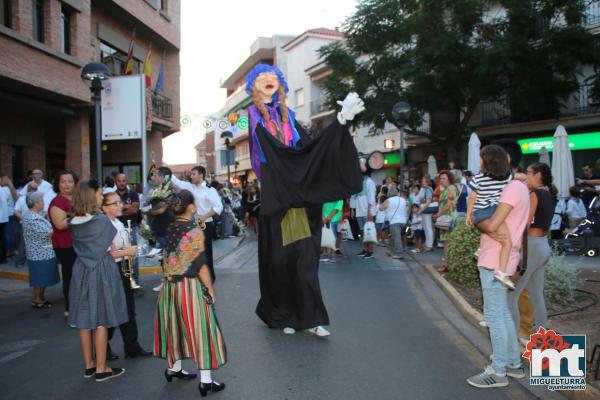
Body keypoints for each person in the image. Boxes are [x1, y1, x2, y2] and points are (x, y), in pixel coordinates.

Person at [246, 64, 363, 337]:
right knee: (284, 261)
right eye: (262, 78)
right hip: (278, 196)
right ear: (253, 85)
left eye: (273, 77)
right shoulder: (251, 116)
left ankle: (309, 318)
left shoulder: (290, 117)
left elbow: (311, 150)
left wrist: (341, 121)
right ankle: (287, 314)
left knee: (304, 260)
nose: (268, 80)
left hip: (298, 199)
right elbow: (258, 144)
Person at [467, 146, 529, 389]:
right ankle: (513, 363)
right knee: (502, 312)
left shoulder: (512, 189)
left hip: (495, 258)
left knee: (494, 314)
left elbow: (492, 226)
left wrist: (475, 221)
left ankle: (498, 369)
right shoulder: (517, 185)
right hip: (502, 256)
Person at [153, 190, 226, 396]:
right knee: (201, 328)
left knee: (174, 326)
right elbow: (201, 265)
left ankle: (173, 368)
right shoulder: (193, 230)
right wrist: (210, 289)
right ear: (192, 207)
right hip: (189, 286)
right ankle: (206, 380)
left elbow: (167, 257)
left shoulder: (171, 227)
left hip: (169, 287)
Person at [68, 180, 128, 382]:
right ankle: (102, 368)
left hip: (81, 270)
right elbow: (109, 247)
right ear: (91, 195)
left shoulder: (73, 221)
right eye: (99, 193)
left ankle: (89, 365)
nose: (101, 196)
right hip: (101, 269)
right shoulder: (101, 221)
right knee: (101, 320)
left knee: (84, 321)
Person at [101, 191, 152, 360]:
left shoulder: (118, 222)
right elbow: (105, 253)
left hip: (123, 268)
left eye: (119, 202)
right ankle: (103, 348)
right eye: (114, 203)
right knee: (113, 310)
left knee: (128, 309)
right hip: (112, 270)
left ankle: (132, 346)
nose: (119, 206)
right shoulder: (103, 225)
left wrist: (131, 251)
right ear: (103, 208)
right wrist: (126, 251)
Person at [508, 162, 555, 343]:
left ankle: (513, 339)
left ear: (538, 175)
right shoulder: (548, 194)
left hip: (533, 246)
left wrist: (515, 246)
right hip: (543, 246)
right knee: (537, 295)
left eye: (528, 172)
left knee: (512, 295)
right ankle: (541, 338)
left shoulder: (535, 194)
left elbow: (525, 223)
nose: (526, 175)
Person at [466, 145, 515, 289]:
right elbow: (521, 177)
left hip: (480, 212)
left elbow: (472, 198)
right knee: (507, 242)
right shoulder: (508, 175)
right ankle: (502, 273)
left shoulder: (477, 178)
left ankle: (480, 249)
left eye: (481, 158)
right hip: (495, 210)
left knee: (490, 231)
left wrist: (469, 215)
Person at [170, 166, 222, 282]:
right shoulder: (190, 187)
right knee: (193, 252)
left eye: (194, 174)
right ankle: (197, 277)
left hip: (205, 224)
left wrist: (203, 217)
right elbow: (177, 182)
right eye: (191, 174)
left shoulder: (209, 190)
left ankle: (209, 279)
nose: (191, 176)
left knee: (205, 252)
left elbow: (218, 206)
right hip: (192, 224)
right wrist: (166, 173)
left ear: (201, 175)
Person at [48, 170, 78, 319]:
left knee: (79, 277)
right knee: (70, 277)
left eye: (70, 181)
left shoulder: (76, 199)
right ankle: (69, 309)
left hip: (79, 243)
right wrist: (79, 216)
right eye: (63, 181)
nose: (67, 184)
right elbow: (59, 225)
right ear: (57, 184)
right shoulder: (57, 202)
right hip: (66, 245)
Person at [22, 192, 59, 308]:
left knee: (40, 277)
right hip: (40, 252)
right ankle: (38, 299)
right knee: (40, 277)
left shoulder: (31, 215)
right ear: (36, 203)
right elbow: (49, 233)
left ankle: (39, 298)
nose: (43, 203)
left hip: (39, 251)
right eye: (41, 201)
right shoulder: (34, 218)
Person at [115, 173, 142, 284]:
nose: (121, 183)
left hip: (131, 229)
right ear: (116, 182)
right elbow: (113, 213)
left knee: (132, 256)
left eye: (123, 180)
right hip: (117, 230)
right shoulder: (112, 195)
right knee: (119, 257)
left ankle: (135, 283)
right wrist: (126, 207)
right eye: (119, 181)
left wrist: (119, 209)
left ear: (126, 181)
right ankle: (122, 283)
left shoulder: (133, 194)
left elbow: (135, 210)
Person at [145, 167, 175, 249]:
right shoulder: (156, 191)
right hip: (158, 231)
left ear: (162, 177)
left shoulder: (168, 191)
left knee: (165, 258)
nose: (152, 178)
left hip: (165, 232)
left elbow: (160, 210)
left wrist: (146, 211)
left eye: (155, 176)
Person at [434, 170, 457, 272]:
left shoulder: (451, 188)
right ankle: (447, 264)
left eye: (444, 178)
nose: (441, 180)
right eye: (441, 178)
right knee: (447, 242)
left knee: (448, 243)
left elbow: (449, 204)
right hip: (446, 218)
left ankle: (447, 265)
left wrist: (438, 214)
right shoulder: (445, 189)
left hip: (449, 218)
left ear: (449, 179)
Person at [355, 160, 377, 259]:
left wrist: (369, 212)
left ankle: (370, 251)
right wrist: (353, 209)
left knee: (369, 231)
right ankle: (365, 249)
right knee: (362, 231)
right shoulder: (360, 181)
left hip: (366, 211)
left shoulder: (369, 182)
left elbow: (371, 198)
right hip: (360, 210)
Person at [379, 187, 408, 260]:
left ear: (389, 194)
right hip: (403, 221)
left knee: (397, 237)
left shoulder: (389, 200)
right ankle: (389, 250)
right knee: (392, 236)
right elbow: (408, 205)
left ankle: (399, 253)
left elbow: (381, 208)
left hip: (394, 221)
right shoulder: (402, 199)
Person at [418, 177, 436, 251]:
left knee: (428, 227)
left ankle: (429, 244)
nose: (423, 183)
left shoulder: (428, 189)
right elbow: (421, 200)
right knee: (425, 226)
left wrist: (420, 210)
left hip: (426, 210)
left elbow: (428, 202)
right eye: (422, 181)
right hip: (424, 210)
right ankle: (427, 243)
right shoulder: (424, 189)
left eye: (425, 182)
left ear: (428, 182)